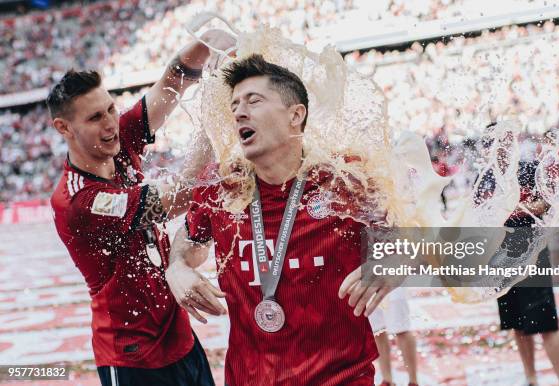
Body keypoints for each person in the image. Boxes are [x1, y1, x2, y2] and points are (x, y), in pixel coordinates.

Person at [166, 54, 391, 385]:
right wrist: (177, 268)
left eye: (253, 101)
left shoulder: (345, 177)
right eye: (235, 105)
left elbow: (415, 237)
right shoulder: (222, 187)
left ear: (295, 115)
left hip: (341, 378)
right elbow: (189, 243)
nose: (239, 111)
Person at [47, 28, 235, 386]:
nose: (109, 125)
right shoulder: (76, 201)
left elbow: (173, 81)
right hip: (132, 359)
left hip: (180, 338)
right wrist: (216, 118)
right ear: (63, 128)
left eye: (110, 109)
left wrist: (211, 39)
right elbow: (181, 197)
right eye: (94, 118)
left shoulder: (118, 142)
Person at [496, 160, 559, 386]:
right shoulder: (488, 176)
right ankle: (531, 378)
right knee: (516, 322)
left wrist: (515, 208)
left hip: (532, 250)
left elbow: (547, 202)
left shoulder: (527, 167)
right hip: (501, 253)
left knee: (546, 321)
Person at [369, 288, 419, 386]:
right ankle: (387, 380)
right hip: (365, 282)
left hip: (390, 279)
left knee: (402, 329)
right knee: (377, 331)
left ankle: (413, 382)